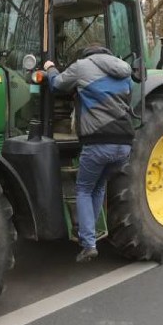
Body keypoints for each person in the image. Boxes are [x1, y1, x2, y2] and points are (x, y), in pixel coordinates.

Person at [44, 46, 134, 262]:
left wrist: (50, 68)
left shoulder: (82, 66)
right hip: (124, 145)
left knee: (83, 189)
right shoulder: (124, 70)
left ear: (87, 54)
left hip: (98, 143)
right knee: (99, 185)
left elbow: (57, 85)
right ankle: (90, 234)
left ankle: (88, 244)